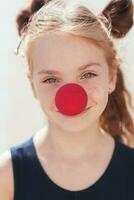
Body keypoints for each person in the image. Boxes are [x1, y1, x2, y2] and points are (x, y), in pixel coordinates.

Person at [0, 0, 134, 199]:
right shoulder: (7, 175)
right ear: (32, 85)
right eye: (51, 79)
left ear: (112, 76)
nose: (71, 95)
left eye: (88, 74)